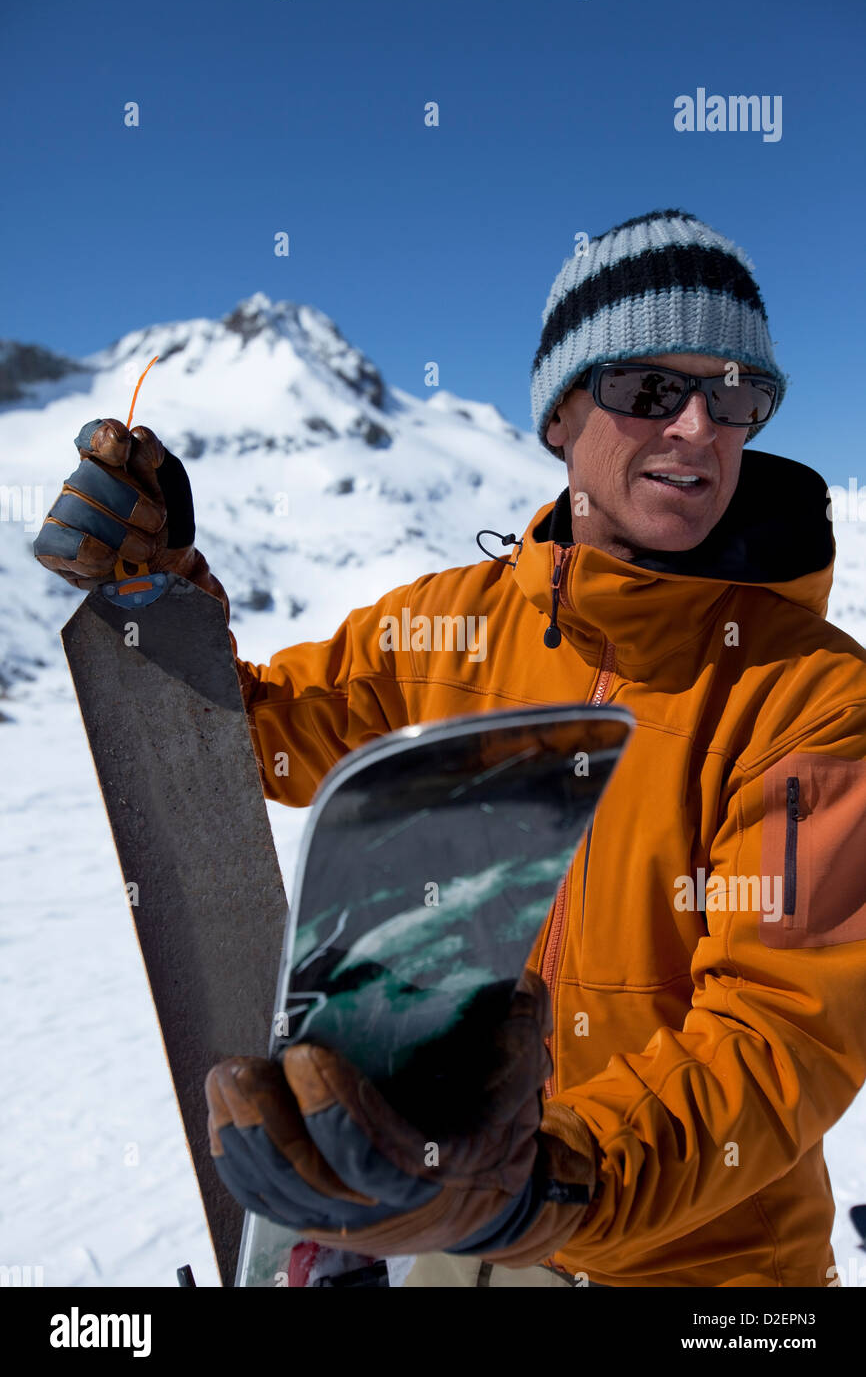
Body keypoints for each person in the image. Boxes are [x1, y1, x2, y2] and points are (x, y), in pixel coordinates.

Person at [35, 210, 866, 1289]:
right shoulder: (448, 629)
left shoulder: (810, 697)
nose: (699, 427)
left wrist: (549, 1179)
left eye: (735, 394)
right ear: (560, 411)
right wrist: (156, 604)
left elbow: (779, 1033)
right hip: (454, 1227)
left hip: (699, 1267)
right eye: (650, 389)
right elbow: (256, 743)